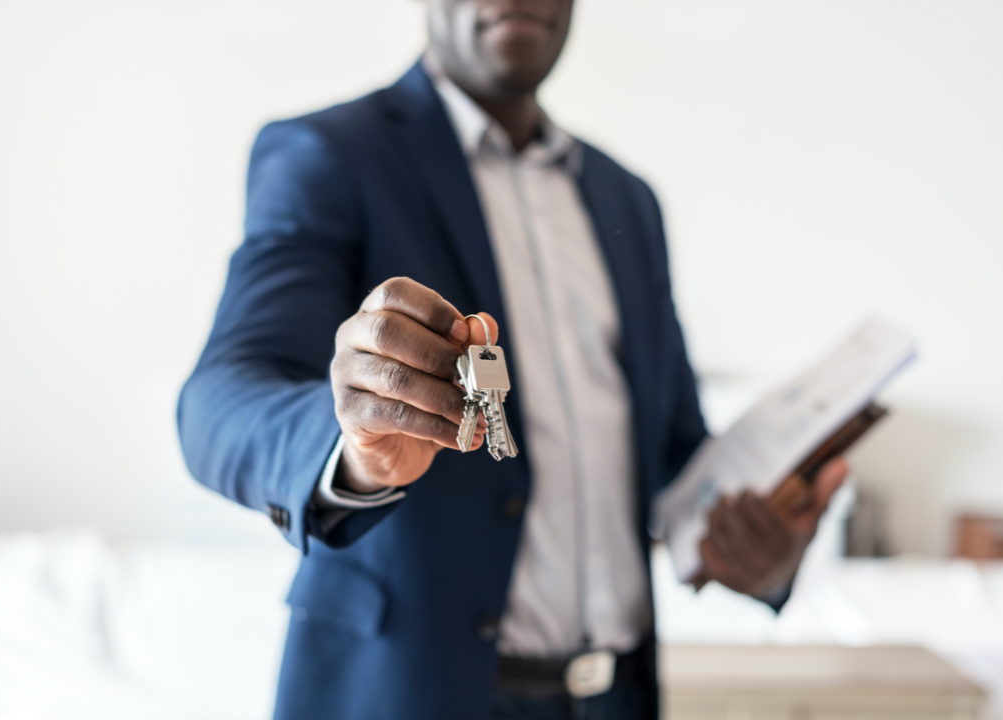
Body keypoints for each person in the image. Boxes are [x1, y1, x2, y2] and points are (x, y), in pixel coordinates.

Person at [177, 1, 848, 718]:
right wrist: (353, 445)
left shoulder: (629, 201)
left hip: (615, 697)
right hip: (412, 695)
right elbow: (219, 401)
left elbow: (671, 456)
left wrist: (763, 550)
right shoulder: (330, 155)